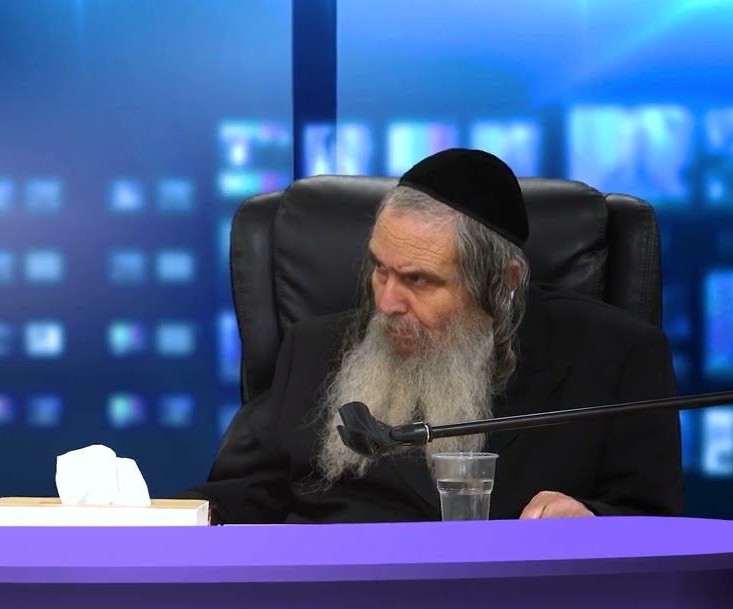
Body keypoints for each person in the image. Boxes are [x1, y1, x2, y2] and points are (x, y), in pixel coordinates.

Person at [181, 148, 683, 524]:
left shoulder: (615, 356)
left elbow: (656, 523)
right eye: (379, 269)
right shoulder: (313, 348)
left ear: (503, 281)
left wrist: (593, 521)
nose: (386, 302)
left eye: (418, 280)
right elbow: (235, 499)